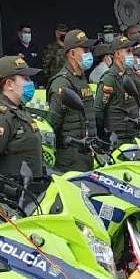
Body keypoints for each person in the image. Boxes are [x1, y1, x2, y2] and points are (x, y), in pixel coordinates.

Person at [0, 55, 46, 182]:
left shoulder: (20, 110)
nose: (30, 83)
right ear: (9, 84)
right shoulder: (0, 118)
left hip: (31, 189)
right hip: (14, 190)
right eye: (25, 78)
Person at [45, 28, 97, 171]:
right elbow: (51, 125)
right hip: (70, 159)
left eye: (89, 49)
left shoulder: (81, 79)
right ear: (72, 54)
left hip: (86, 154)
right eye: (85, 50)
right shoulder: (61, 83)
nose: (89, 53)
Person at [93, 36, 140, 141]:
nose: (131, 55)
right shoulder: (109, 78)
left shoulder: (131, 74)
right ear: (117, 54)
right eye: (128, 51)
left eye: (132, 51)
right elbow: (98, 111)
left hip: (134, 135)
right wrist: (104, 135)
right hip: (118, 138)